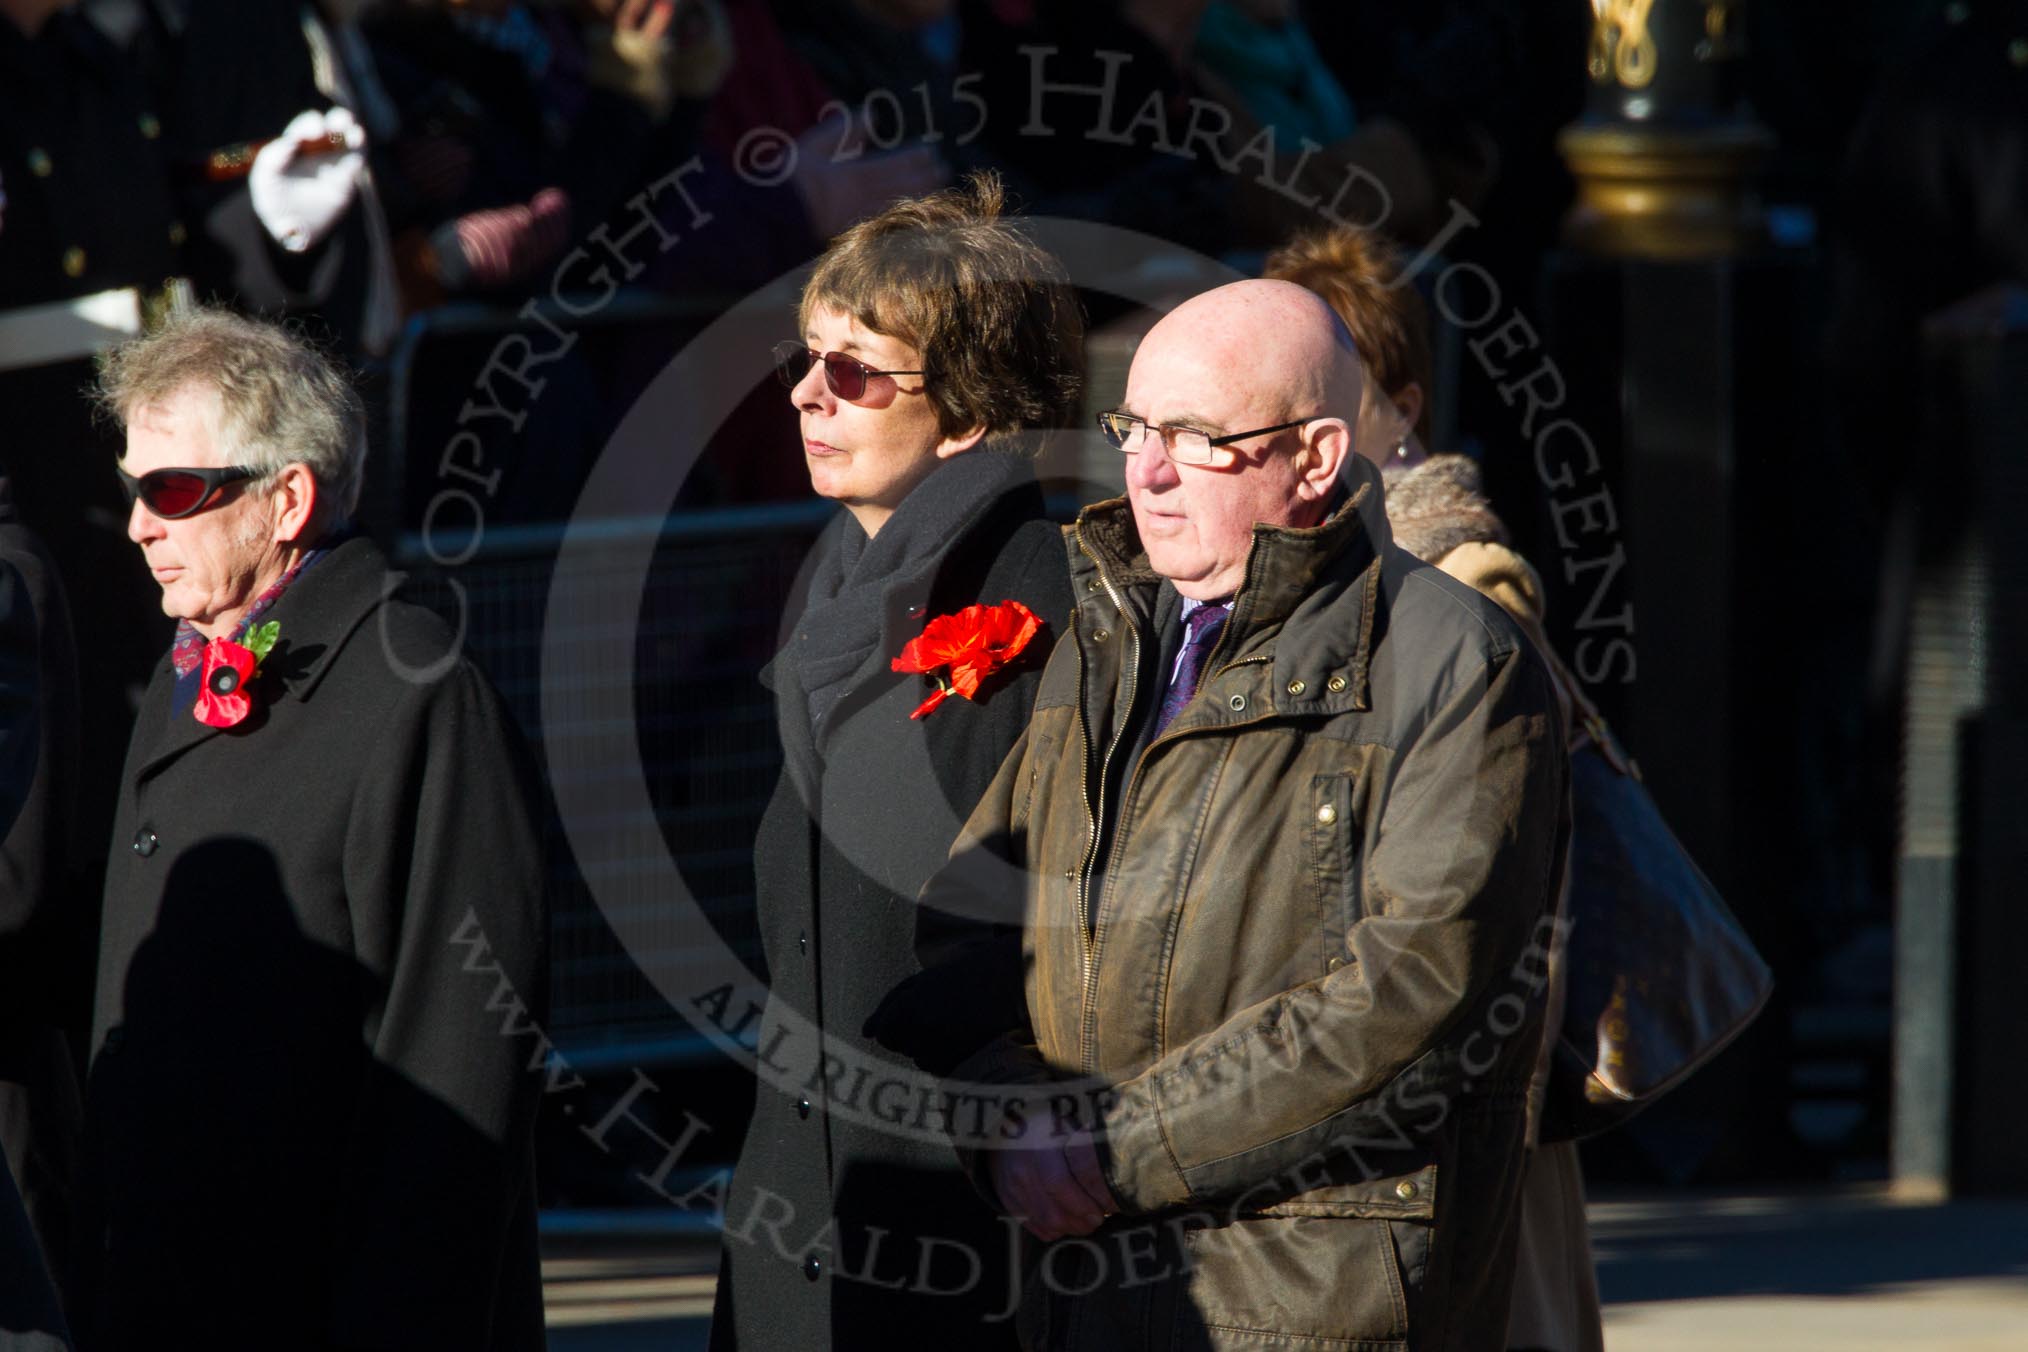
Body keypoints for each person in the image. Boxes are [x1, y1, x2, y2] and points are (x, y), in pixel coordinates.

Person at [890, 278, 1569, 1350]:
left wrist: (1112, 1147)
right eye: (1137, 425)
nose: (1147, 469)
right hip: (1085, 1293)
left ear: (1315, 456)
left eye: (1199, 436)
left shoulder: (1456, 661)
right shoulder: (1108, 640)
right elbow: (967, 923)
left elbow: (1414, 996)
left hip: (1316, 1307)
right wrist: (1015, 1115)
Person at [70, 308, 549, 1350]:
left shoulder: (418, 691)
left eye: (173, 489)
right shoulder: (182, 669)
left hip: (321, 1303)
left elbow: (459, 1064)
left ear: (286, 498)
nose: (141, 524)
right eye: (132, 488)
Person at [708, 173, 1080, 1350]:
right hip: (802, 1202)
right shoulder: (831, 595)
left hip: (966, 1220)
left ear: (966, 405)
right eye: (806, 362)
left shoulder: (1042, 588)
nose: (811, 396)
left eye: (856, 371)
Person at [1266, 222, 1602, 1352]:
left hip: (1464, 1096)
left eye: (1322, 391)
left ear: (1398, 407)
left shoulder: (1465, 583)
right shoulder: (1288, 578)